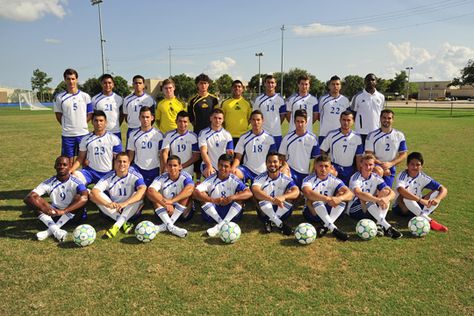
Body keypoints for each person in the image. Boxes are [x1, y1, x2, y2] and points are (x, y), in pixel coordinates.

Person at [24, 156, 88, 242]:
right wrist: (45, 208)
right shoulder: (48, 182)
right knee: (35, 203)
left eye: (64, 164)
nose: (61, 166)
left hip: (74, 215)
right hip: (55, 214)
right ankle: (56, 231)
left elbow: (84, 197)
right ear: (55, 166)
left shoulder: (76, 181)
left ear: (69, 166)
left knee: (79, 197)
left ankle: (49, 231)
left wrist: (64, 211)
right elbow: (28, 197)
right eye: (59, 164)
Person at [193, 154, 253, 237]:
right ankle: (221, 222)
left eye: (226, 166)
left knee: (240, 195)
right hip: (213, 212)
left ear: (230, 167)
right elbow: (195, 192)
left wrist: (231, 198)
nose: (223, 168)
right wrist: (213, 200)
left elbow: (249, 193)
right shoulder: (211, 179)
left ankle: (219, 226)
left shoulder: (234, 179)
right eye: (221, 165)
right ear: (217, 165)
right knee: (201, 194)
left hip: (230, 212)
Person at [90, 152, 147, 238]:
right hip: (114, 209)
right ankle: (123, 223)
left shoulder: (134, 175)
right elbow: (95, 191)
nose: (122, 164)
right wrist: (107, 204)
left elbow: (143, 188)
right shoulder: (109, 177)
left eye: (124, 162)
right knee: (92, 195)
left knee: (139, 194)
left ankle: (116, 226)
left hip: (130, 209)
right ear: (115, 163)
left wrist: (125, 203)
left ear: (129, 163)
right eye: (119, 161)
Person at [348, 154, 403, 239]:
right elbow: (359, 193)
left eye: (370, 165)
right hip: (355, 209)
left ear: (374, 165)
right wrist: (377, 200)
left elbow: (392, 193)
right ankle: (388, 227)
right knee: (367, 197)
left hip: (371, 208)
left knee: (385, 193)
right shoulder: (355, 177)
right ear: (361, 165)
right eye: (366, 164)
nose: (368, 167)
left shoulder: (375, 177)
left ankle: (379, 224)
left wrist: (385, 199)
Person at [301, 155, 354, 241]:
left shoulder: (333, 179)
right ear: (315, 166)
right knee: (315, 201)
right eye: (320, 166)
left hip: (328, 210)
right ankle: (333, 227)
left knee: (341, 198)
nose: (323, 169)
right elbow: (308, 193)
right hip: (312, 212)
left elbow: (350, 193)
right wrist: (328, 199)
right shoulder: (308, 179)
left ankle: (326, 226)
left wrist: (339, 198)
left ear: (330, 167)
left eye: (326, 166)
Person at [392, 152, 448, 232]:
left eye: (418, 165)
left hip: (416, 206)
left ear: (421, 166)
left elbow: (443, 189)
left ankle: (423, 216)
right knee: (406, 195)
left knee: (436, 192)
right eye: (412, 164)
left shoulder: (423, 177)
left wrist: (438, 199)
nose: (415, 167)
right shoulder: (403, 175)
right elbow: (400, 190)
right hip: (402, 208)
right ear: (407, 165)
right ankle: (429, 220)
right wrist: (420, 200)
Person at [146, 155, 195, 238]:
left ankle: (164, 226)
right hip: (165, 211)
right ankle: (172, 227)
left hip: (183, 212)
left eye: (175, 165)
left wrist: (172, 201)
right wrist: (165, 204)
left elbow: (190, 188)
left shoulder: (185, 176)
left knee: (188, 194)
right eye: (170, 165)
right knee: (154, 197)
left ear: (180, 167)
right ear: (166, 167)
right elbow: (150, 191)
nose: (172, 168)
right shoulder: (160, 178)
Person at [252, 152, 299, 235]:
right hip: (264, 211)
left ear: (280, 163)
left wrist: (283, 197)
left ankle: (271, 221)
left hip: (281, 210)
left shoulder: (285, 178)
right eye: (269, 162)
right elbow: (255, 190)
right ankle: (280, 224)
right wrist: (272, 199)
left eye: (275, 161)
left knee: (291, 193)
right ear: (266, 163)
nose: (272, 164)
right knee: (257, 195)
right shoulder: (260, 178)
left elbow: (296, 191)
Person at [70, 110, 122, 186]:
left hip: (107, 173)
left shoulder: (114, 139)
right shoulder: (85, 139)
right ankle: (85, 192)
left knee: (109, 195)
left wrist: (116, 174)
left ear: (105, 122)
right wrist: (71, 170)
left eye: (101, 121)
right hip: (90, 172)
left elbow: (118, 159)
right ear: (92, 122)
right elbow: (80, 158)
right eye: (96, 121)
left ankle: (89, 192)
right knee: (73, 179)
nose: (98, 123)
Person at [54, 68, 93, 165]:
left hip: (83, 133)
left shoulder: (85, 96)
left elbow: (90, 113)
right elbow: (58, 114)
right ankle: (69, 180)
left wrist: (82, 123)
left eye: (73, 79)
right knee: (68, 161)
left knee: (84, 160)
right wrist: (66, 125)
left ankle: (85, 179)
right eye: (68, 79)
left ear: (77, 79)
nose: (71, 81)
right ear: (65, 80)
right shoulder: (60, 97)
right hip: (68, 135)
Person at [365, 109, 407, 187]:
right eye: (384, 118)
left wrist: (391, 164)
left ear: (393, 120)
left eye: (389, 118)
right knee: (374, 190)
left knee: (386, 192)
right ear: (380, 119)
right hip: (374, 166)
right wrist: (382, 165)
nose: (386, 120)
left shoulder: (399, 135)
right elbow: (369, 154)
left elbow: (403, 154)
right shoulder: (372, 135)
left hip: (390, 167)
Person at [320, 110, 363, 185]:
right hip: (335, 168)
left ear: (353, 121)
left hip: (349, 169)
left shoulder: (357, 137)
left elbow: (358, 157)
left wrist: (359, 172)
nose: (346, 122)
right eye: (344, 120)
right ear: (340, 120)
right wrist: (328, 165)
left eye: (348, 120)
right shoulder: (331, 135)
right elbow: (322, 151)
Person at [188, 73, 219, 178]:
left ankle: (213, 178)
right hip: (198, 133)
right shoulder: (192, 101)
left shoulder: (214, 99)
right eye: (201, 83)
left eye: (205, 83)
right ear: (197, 85)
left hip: (211, 133)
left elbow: (217, 116)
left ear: (208, 85)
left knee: (210, 155)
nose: (203, 86)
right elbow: (191, 119)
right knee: (197, 157)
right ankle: (197, 180)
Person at [231, 110, 276, 182]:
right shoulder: (244, 137)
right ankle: (243, 189)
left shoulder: (269, 138)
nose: (256, 122)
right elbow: (238, 157)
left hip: (264, 171)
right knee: (233, 174)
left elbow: (273, 158)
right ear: (250, 121)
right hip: (247, 170)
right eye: (253, 120)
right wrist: (233, 168)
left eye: (258, 120)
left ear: (262, 121)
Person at [278, 109, 319, 187]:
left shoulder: (312, 138)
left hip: (305, 173)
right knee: (283, 173)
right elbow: (281, 156)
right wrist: (285, 165)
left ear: (306, 122)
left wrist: (312, 173)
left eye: (302, 122)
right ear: (294, 122)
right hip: (290, 171)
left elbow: (316, 158)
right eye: (298, 121)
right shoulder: (287, 138)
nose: (300, 124)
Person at [127, 106, 164, 186]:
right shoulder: (133, 134)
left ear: (152, 118)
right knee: (139, 193)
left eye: (147, 117)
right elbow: (131, 154)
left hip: (154, 169)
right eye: (143, 117)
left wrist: (163, 171)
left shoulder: (159, 135)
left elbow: (162, 155)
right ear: (139, 118)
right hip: (138, 169)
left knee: (151, 195)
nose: (145, 119)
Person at [161, 110, 199, 176]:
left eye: (185, 122)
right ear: (176, 121)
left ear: (189, 122)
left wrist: (181, 166)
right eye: (180, 121)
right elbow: (165, 152)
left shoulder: (193, 136)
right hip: (173, 172)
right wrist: (167, 166)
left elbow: (196, 156)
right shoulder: (169, 135)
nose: (182, 124)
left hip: (188, 172)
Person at [198, 108, 233, 178]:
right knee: (211, 175)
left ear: (223, 120)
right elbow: (203, 152)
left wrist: (227, 167)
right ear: (211, 118)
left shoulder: (227, 134)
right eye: (215, 118)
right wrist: (209, 166)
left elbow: (230, 153)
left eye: (220, 118)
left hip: (223, 165)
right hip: (207, 165)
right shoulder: (203, 133)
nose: (217, 120)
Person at [253, 74, 286, 149]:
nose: (270, 84)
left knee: (276, 158)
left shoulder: (280, 100)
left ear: (275, 84)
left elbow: (283, 116)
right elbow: (255, 116)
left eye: (272, 82)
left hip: (276, 134)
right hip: (263, 133)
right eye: (268, 82)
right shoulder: (258, 100)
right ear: (264, 84)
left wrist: (275, 125)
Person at [350, 73, 385, 144]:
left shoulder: (381, 97)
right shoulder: (357, 96)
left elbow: (382, 114)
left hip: (376, 131)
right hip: (361, 132)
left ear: (376, 82)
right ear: (365, 82)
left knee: (375, 154)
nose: (370, 81)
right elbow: (352, 114)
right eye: (368, 80)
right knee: (361, 154)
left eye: (373, 80)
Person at [316, 75, 350, 144]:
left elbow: (348, 117)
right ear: (329, 86)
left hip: (340, 134)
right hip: (324, 134)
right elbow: (318, 116)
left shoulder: (345, 100)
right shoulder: (322, 99)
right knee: (323, 154)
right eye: (333, 84)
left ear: (340, 86)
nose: (335, 86)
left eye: (337, 84)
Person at [122, 75, 156, 142]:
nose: (138, 85)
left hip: (145, 130)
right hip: (132, 129)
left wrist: (147, 126)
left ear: (143, 85)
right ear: (133, 85)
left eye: (140, 83)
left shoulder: (149, 99)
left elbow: (153, 116)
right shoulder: (126, 99)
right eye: (136, 83)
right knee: (130, 151)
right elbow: (126, 116)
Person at [91, 73, 124, 141]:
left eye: (109, 83)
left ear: (113, 84)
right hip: (101, 132)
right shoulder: (94, 99)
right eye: (105, 83)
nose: (107, 85)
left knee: (116, 152)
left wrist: (116, 125)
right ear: (101, 84)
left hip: (115, 132)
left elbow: (122, 115)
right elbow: (93, 116)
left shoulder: (119, 99)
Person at [220, 80, 252, 146]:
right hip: (228, 136)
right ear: (232, 88)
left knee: (242, 156)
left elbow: (249, 119)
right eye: (235, 86)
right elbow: (221, 119)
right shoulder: (225, 103)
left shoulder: (247, 103)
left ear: (243, 89)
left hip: (243, 136)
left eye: (239, 87)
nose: (237, 88)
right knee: (230, 156)